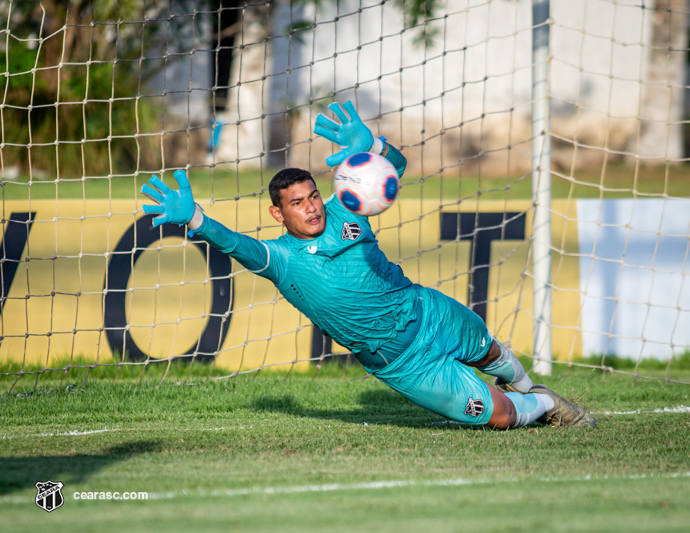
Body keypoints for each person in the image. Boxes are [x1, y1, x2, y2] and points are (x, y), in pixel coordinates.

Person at [141, 101, 595, 429]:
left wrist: (372, 146)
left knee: (489, 350)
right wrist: (198, 220)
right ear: (278, 214)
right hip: (403, 363)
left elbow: (390, 170)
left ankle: (533, 387)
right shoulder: (280, 260)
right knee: (498, 417)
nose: (312, 207)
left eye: (314, 195)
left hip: (426, 310)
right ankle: (541, 404)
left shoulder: (348, 207)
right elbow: (236, 244)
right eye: (297, 203)